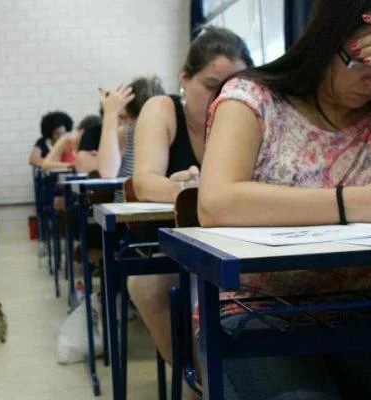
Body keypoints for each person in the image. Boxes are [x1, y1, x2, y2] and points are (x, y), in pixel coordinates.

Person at [200, 1, 371, 398]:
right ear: (324, 40)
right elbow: (216, 203)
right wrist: (357, 203)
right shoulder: (254, 100)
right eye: (362, 60)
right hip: (256, 313)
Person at [127, 27, 253, 369]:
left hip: (232, 241)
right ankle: (195, 377)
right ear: (185, 79)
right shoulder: (162, 109)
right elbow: (144, 182)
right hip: (171, 244)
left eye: (234, 87)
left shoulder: (250, 114)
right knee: (147, 286)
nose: (222, 97)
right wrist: (185, 189)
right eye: (211, 86)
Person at [97, 76, 165, 182]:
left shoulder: (170, 131)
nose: (131, 123)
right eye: (131, 119)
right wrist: (110, 114)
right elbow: (107, 172)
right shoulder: (125, 134)